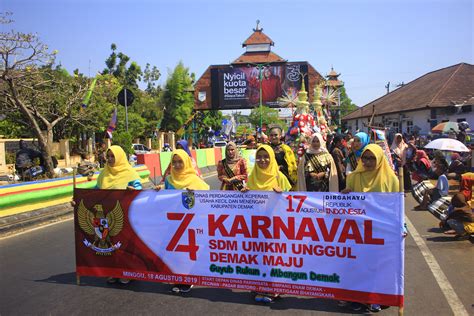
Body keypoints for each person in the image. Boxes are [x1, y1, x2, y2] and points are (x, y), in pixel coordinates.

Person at [341, 144, 400, 312]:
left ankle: (376, 298)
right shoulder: (353, 177)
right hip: (358, 229)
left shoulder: (391, 180)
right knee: (358, 264)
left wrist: (399, 227)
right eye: (364, 158)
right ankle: (358, 298)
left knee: (378, 265)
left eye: (371, 158)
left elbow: (396, 207)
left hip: (380, 230)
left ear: (380, 159)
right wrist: (344, 194)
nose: (367, 162)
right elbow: (346, 204)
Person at [241, 144, 291, 303]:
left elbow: (291, 203)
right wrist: (244, 194)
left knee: (273, 257)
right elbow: (246, 204)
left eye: (266, 156)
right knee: (258, 257)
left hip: (275, 226)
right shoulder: (251, 177)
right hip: (255, 225)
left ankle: (274, 290)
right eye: (259, 157)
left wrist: (281, 195)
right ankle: (259, 288)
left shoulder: (279, 177)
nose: (263, 160)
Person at [157, 149, 209, 293]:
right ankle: (178, 277)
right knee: (176, 251)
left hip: (190, 223)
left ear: (186, 162)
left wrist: (195, 194)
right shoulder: (169, 179)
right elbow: (167, 197)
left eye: (180, 161)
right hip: (174, 222)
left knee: (187, 251)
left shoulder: (195, 180)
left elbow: (207, 198)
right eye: (174, 162)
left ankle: (187, 279)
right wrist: (158, 189)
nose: (177, 165)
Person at [94, 145, 142, 285]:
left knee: (125, 244)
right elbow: (95, 191)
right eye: (108, 156)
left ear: (120, 157)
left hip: (125, 215)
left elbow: (139, 188)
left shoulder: (129, 173)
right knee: (110, 244)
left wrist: (133, 189)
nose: (109, 159)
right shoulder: (104, 174)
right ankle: (113, 271)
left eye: (112, 156)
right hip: (107, 216)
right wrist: (79, 198)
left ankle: (128, 271)